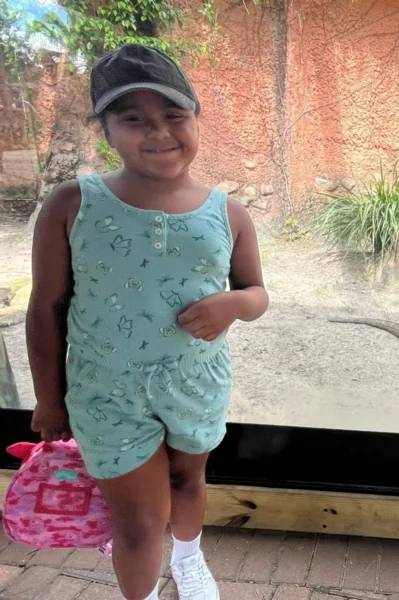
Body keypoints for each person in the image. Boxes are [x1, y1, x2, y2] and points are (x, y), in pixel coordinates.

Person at [26, 43, 269, 600]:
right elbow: (46, 308)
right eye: (133, 119)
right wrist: (48, 399)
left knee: (187, 481)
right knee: (137, 522)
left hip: (196, 382)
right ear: (106, 131)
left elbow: (256, 293)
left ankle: (189, 557)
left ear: (196, 119)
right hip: (105, 391)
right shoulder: (71, 205)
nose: (158, 132)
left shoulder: (228, 213)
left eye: (173, 115)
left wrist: (235, 305)